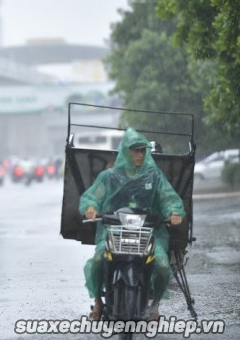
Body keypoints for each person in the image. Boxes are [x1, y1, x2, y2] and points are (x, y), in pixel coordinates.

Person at [79, 127, 185, 321]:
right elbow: (93, 196)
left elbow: (168, 198)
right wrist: (91, 207)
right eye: (135, 150)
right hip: (114, 231)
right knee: (96, 261)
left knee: (162, 264)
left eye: (143, 150)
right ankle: (98, 301)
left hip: (149, 232)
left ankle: (155, 306)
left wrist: (174, 212)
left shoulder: (154, 176)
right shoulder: (109, 176)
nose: (140, 154)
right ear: (125, 151)